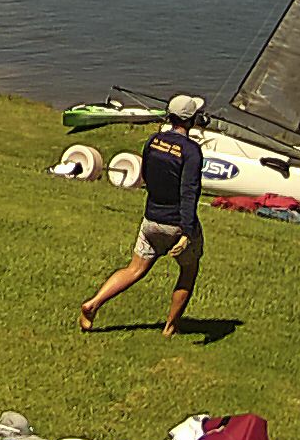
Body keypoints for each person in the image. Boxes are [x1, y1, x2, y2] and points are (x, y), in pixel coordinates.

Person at [79, 94, 207, 338]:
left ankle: (93, 304)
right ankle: (170, 328)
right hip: (177, 223)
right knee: (188, 272)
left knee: (135, 269)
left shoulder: (153, 141)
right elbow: (189, 191)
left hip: (151, 219)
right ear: (191, 120)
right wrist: (187, 232)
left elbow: (147, 175)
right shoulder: (191, 151)